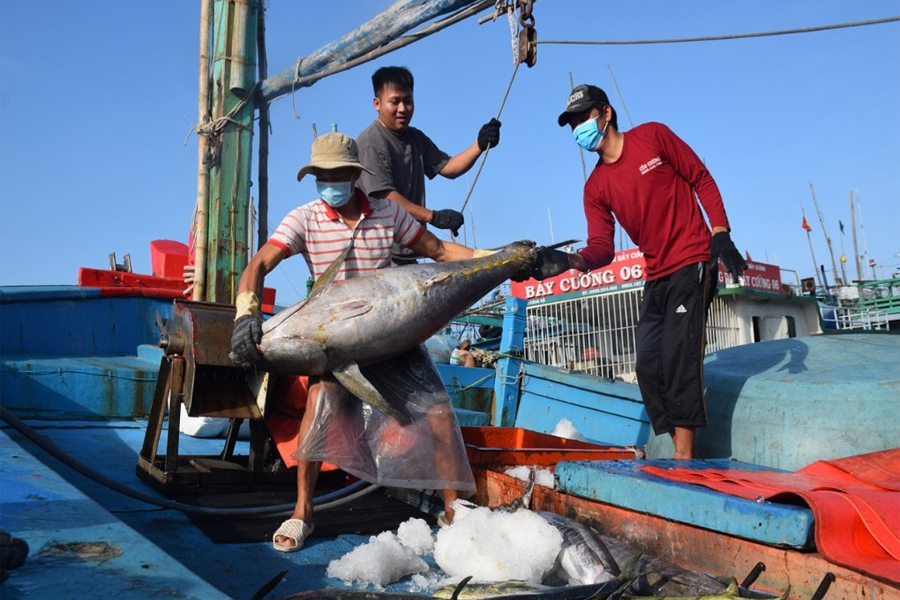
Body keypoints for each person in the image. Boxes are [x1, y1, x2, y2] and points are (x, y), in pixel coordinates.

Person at [229, 132, 493, 552]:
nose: (327, 182)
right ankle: (303, 513)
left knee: (440, 413)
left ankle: (454, 508)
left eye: (335, 175)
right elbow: (259, 263)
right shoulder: (305, 218)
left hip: (389, 338)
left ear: (354, 175)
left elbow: (440, 251)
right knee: (317, 411)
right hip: (334, 343)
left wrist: (500, 258)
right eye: (320, 175)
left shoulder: (388, 213)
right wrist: (247, 312)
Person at [548, 84, 747, 460]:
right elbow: (602, 248)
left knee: (677, 355)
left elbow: (700, 177)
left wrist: (720, 232)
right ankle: (678, 449)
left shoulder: (653, 136)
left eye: (582, 118)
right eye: (572, 123)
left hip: (692, 260)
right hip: (656, 273)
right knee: (647, 364)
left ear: (605, 113)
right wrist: (571, 261)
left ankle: (684, 460)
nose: (578, 128)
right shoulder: (595, 187)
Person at [357, 66, 501, 263]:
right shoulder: (371, 142)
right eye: (395, 102)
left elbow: (448, 167)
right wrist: (433, 216)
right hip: (380, 257)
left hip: (410, 252)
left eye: (407, 101)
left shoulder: (415, 137)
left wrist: (480, 144)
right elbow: (387, 198)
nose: (402, 108)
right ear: (377, 103)